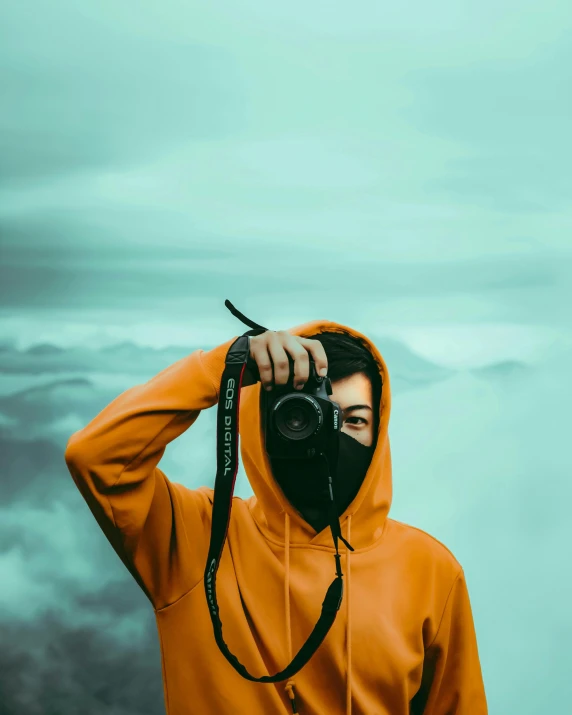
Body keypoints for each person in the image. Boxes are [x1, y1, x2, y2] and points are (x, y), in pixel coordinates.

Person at [64, 318, 488, 714]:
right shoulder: (200, 538)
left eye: (355, 420)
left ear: (381, 433)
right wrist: (223, 368)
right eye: (306, 418)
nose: (331, 441)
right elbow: (97, 457)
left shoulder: (430, 570)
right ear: (263, 424)